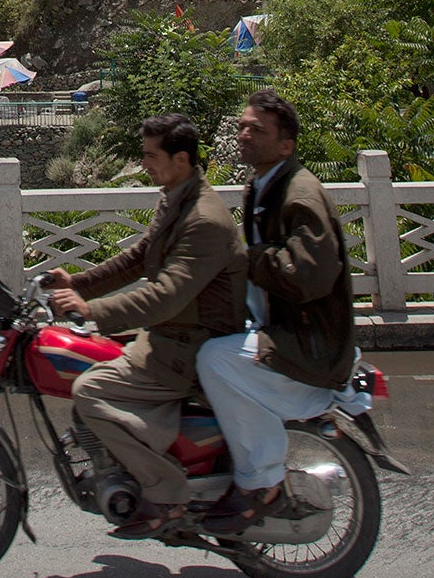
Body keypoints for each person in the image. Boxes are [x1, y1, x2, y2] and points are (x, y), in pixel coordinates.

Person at [45, 113, 243, 540]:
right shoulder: (176, 197)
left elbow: (165, 295)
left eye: (152, 155)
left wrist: (91, 310)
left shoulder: (203, 219)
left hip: (190, 348)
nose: (145, 162)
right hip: (171, 334)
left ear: (182, 159)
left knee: (89, 391)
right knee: (89, 353)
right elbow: (139, 257)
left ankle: (165, 494)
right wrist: (77, 283)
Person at [191, 89, 355, 538]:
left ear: (287, 145)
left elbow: (310, 274)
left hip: (309, 346)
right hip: (278, 327)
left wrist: (249, 260)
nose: (244, 135)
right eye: (243, 125)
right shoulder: (263, 185)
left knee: (215, 361)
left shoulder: (299, 194)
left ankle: (260, 483)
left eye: (257, 130)